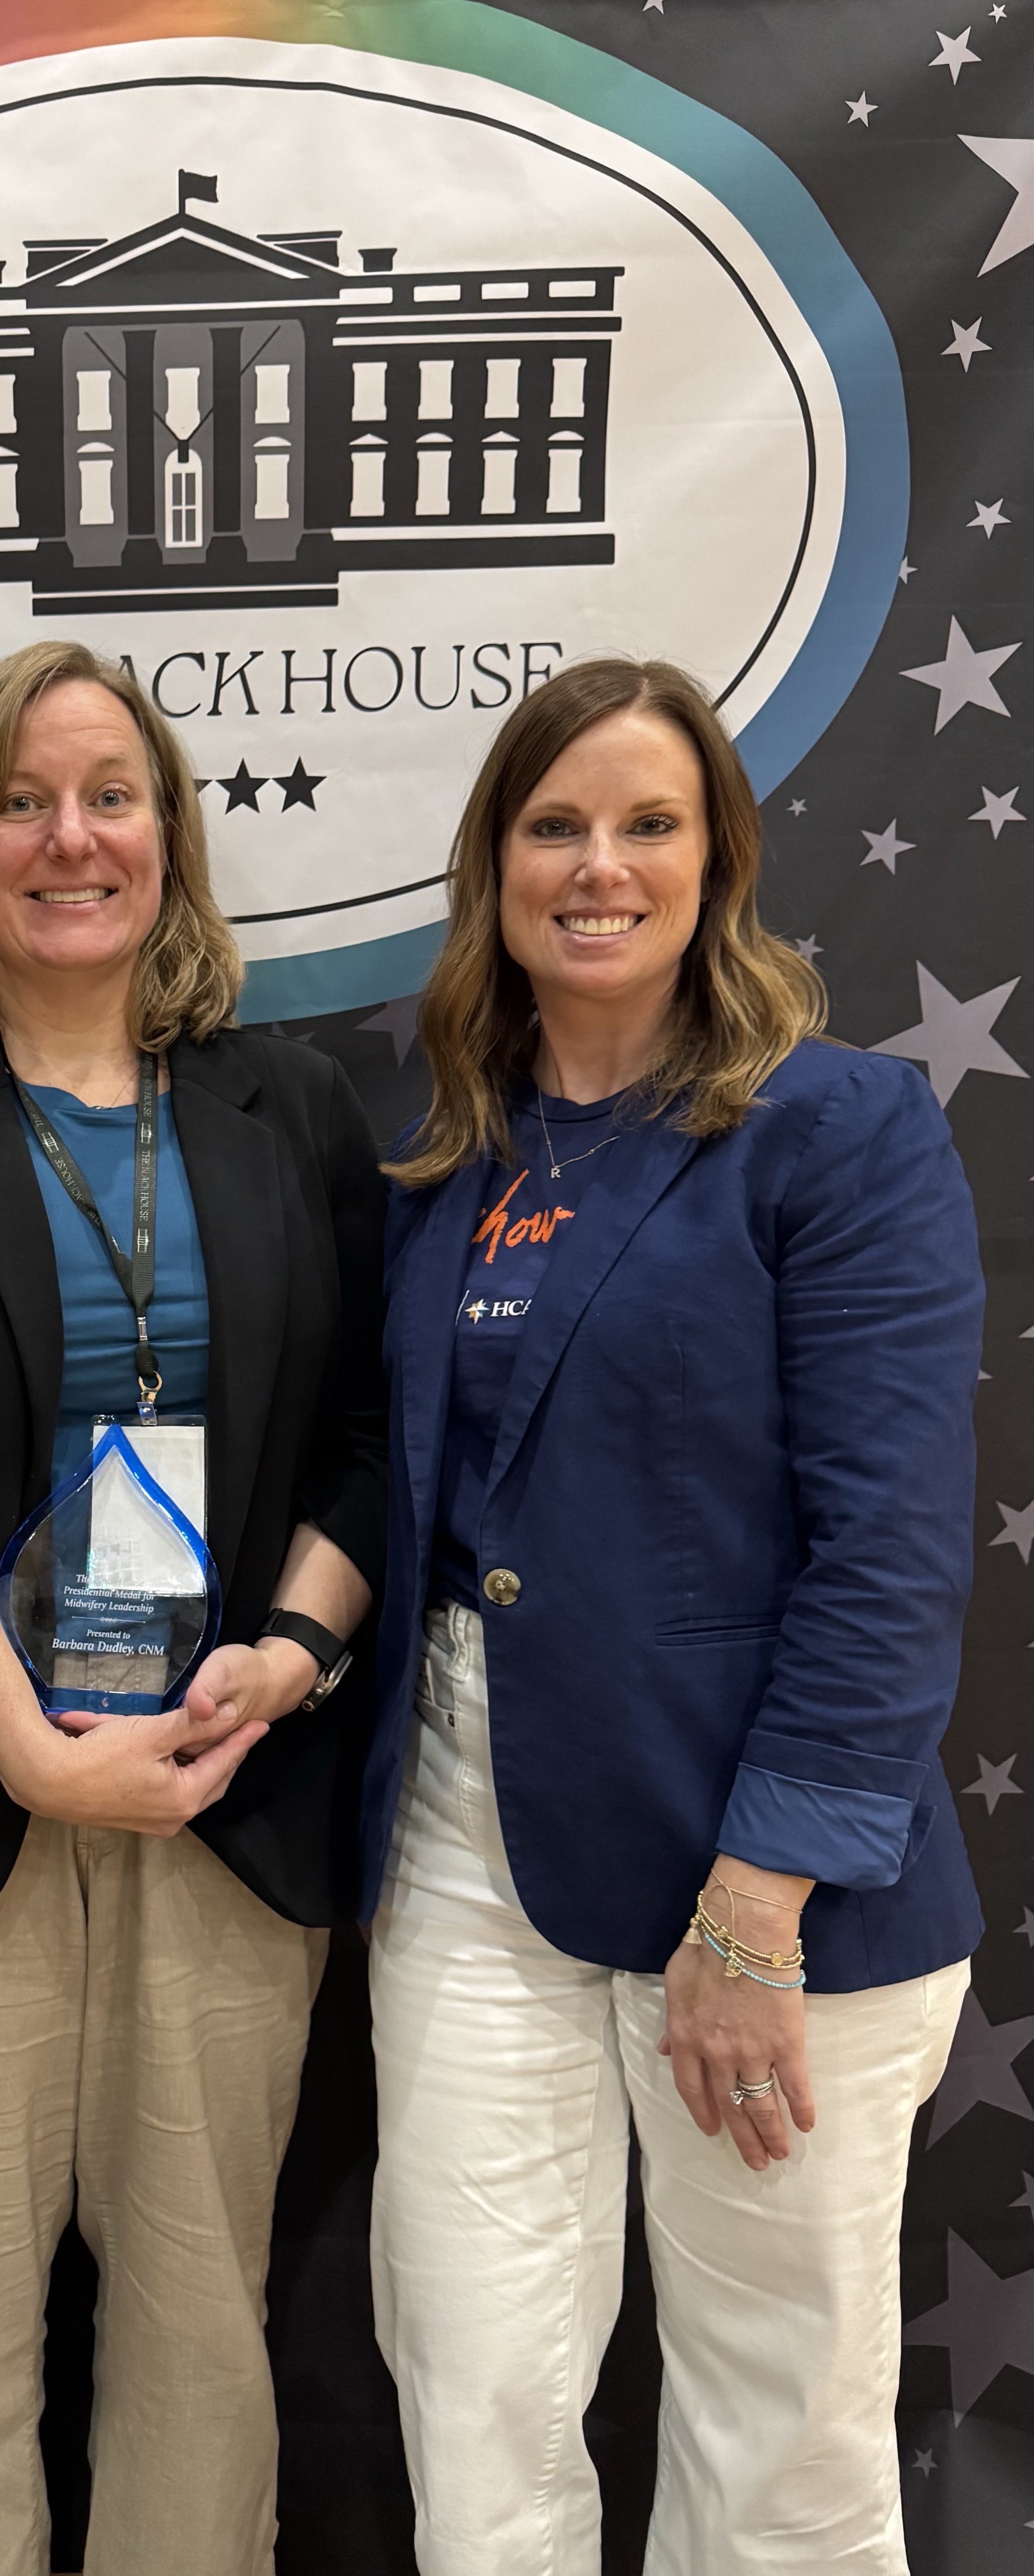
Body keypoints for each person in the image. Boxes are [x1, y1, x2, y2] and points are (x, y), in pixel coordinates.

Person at [0, 639, 385, 2576]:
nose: (70, 837)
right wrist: (34, 1750)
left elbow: (369, 1441)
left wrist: (283, 1668)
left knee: (205, 2331)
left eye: (113, 794)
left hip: (225, 1794)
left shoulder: (292, 1107)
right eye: (22, 801)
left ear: (174, 839)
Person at [364, 658, 983, 2573]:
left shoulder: (840, 1131)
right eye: (555, 826)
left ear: (719, 859)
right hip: (468, 1846)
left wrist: (762, 1901)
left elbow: (888, 1547)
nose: (599, 866)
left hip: (767, 1874)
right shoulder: (448, 1155)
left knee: (777, 2419)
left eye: (650, 823)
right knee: (470, 2393)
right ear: (494, 866)